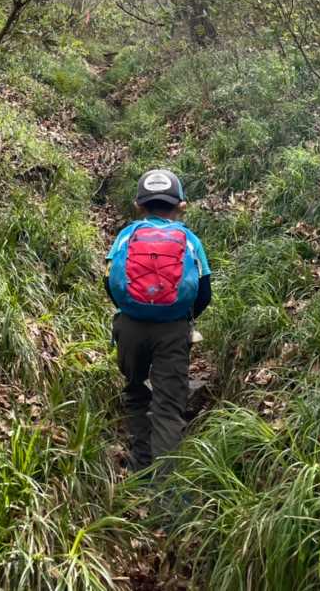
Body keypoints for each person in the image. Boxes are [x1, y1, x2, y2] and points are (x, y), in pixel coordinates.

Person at [105, 168, 211, 473]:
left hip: (130, 327)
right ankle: (165, 487)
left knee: (136, 391)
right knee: (168, 408)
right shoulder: (190, 240)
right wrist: (184, 318)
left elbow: (109, 281)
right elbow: (204, 292)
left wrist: (131, 308)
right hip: (173, 331)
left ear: (139, 205)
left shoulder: (126, 235)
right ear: (181, 206)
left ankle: (140, 467)